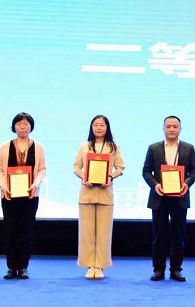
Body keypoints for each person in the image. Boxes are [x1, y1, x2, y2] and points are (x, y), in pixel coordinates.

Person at [143, 116, 195, 282]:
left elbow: (194, 170)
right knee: (158, 236)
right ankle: (158, 270)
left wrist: (187, 183)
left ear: (180, 129)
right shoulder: (153, 148)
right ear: (163, 129)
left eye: (175, 126)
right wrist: (155, 185)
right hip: (159, 197)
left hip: (180, 197)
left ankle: (176, 270)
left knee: (178, 236)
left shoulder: (189, 148)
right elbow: (146, 171)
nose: (172, 129)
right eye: (168, 126)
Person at [0, 113, 46, 279]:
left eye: (26, 124)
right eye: (19, 124)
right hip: (9, 196)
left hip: (30, 196)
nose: (22, 127)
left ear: (31, 126)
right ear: (14, 126)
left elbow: (42, 169)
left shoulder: (38, 147)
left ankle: (23, 267)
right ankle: (11, 267)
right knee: (11, 232)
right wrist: (4, 187)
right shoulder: (5, 146)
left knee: (26, 232)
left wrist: (35, 185)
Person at [73, 115, 125, 279]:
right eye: (95, 125)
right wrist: (84, 177)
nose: (99, 128)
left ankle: (100, 266)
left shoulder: (113, 147)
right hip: (86, 194)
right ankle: (89, 266)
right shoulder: (84, 146)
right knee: (86, 233)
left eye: (102, 125)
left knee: (104, 234)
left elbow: (120, 168)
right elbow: (77, 167)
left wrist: (110, 177)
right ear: (91, 127)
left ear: (107, 127)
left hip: (105, 194)